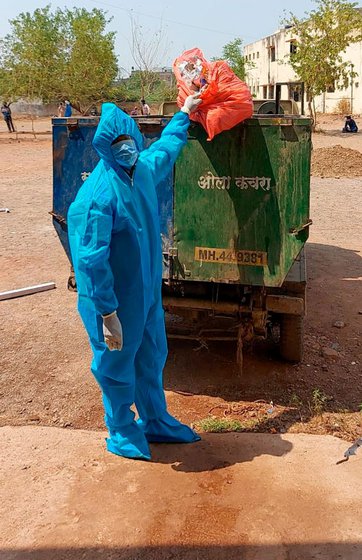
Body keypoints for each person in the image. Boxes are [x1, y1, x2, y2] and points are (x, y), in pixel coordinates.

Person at [67, 93, 202, 461]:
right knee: (115, 367)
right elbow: (91, 262)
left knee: (152, 355)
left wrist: (184, 114)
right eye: (117, 144)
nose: (125, 148)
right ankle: (123, 430)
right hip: (112, 304)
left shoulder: (140, 169)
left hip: (145, 296)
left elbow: (165, 151)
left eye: (128, 140)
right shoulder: (96, 196)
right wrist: (107, 314)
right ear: (104, 148)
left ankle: (155, 419)